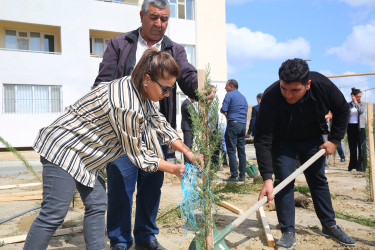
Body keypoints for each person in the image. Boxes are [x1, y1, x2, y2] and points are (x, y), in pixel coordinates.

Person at [23, 48, 203, 250]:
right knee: (53, 214)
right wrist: (175, 169)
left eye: (171, 89)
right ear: (147, 79)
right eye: (165, 89)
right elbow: (139, 155)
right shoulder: (126, 104)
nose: (167, 94)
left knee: (97, 205)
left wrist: (187, 152)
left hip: (88, 158)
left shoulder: (140, 92)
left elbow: (159, 124)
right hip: (65, 149)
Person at [93, 1, 199, 249]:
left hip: (156, 132)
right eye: (153, 17)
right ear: (141, 16)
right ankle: (119, 240)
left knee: (151, 188)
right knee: (121, 189)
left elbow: (186, 74)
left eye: (164, 19)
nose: (159, 24)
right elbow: (103, 82)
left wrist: (199, 90)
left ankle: (146, 236)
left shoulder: (174, 49)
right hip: (121, 131)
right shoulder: (120, 44)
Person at [254, 58, 355, 248]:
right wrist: (267, 178)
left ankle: (330, 225)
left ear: (307, 85)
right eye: (284, 88)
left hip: (312, 141)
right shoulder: (271, 96)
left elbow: (342, 110)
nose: (288, 95)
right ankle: (288, 231)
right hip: (283, 142)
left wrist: (334, 140)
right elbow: (263, 139)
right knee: (283, 182)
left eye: (295, 90)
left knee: (318, 180)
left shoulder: (322, 86)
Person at [220, 79, 248, 181]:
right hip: (242, 125)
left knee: (231, 150)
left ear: (231, 87)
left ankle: (234, 175)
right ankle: (243, 175)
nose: (225, 88)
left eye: (226, 86)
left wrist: (223, 111)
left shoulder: (229, 95)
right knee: (242, 150)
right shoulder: (243, 97)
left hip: (233, 124)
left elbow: (224, 109)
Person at [347, 87, 366, 172]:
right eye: (358, 96)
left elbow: (361, 111)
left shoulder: (362, 104)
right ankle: (352, 165)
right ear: (353, 96)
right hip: (351, 127)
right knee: (352, 147)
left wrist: (356, 103)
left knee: (361, 147)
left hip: (360, 128)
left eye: (360, 96)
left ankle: (361, 166)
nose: (360, 98)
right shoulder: (348, 105)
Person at [181, 97, 195, 164]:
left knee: (190, 146)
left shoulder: (188, 103)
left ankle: (189, 162)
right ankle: (187, 163)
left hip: (189, 127)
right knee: (187, 146)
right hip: (187, 127)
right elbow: (192, 114)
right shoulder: (186, 103)